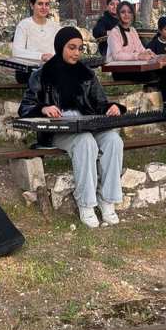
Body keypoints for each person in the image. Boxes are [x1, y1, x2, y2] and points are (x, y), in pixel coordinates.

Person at [18, 27, 126, 229]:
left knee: (114, 140)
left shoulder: (86, 74)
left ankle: (107, 200)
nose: (76, 53)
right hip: (58, 130)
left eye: (80, 48)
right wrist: (43, 108)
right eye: (72, 48)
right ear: (60, 47)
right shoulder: (42, 75)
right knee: (85, 142)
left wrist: (112, 107)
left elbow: (100, 103)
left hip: (87, 124)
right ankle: (86, 203)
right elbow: (24, 108)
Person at [105, 1, 164, 87]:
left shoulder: (132, 30)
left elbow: (140, 49)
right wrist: (138, 56)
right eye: (123, 12)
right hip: (119, 71)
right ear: (118, 15)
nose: (126, 14)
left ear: (133, 15)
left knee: (164, 71)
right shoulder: (114, 33)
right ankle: (151, 93)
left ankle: (164, 95)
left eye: (129, 12)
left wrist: (150, 53)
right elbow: (117, 56)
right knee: (153, 75)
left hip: (134, 67)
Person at [11, 0, 60, 84]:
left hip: (50, 68)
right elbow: (17, 52)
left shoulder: (55, 27)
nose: (44, 7)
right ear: (32, 5)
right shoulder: (24, 25)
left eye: (47, 4)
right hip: (27, 70)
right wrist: (41, 56)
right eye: (40, 4)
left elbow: (59, 51)